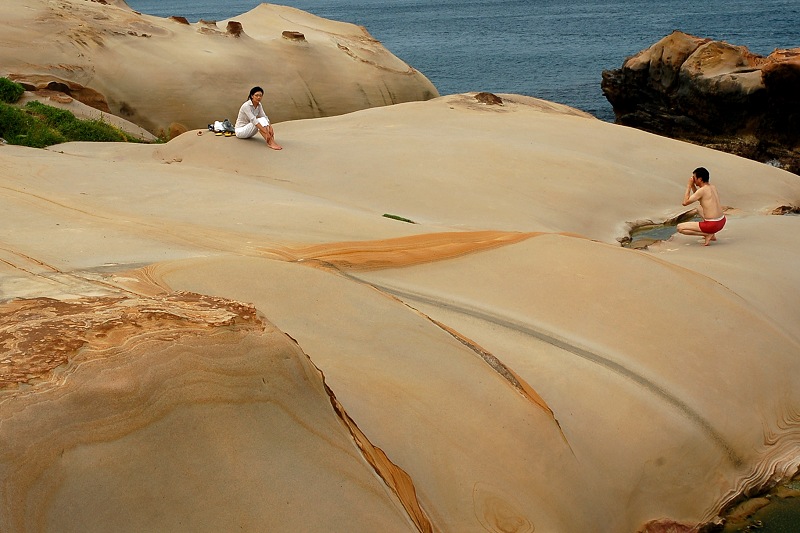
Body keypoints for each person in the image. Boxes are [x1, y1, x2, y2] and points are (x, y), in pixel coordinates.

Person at [676, 167, 725, 246]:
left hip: (712, 225)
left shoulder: (702, 191)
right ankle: (712, 234)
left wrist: (688, 186)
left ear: (700, 179)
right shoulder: (712, 187)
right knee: (699, 208)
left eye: (694, 178)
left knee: (680, 228)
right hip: (722, 221)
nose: (693, 179)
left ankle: (707, 234)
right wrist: (693, 186)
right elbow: (699, 197)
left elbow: (685, 202)